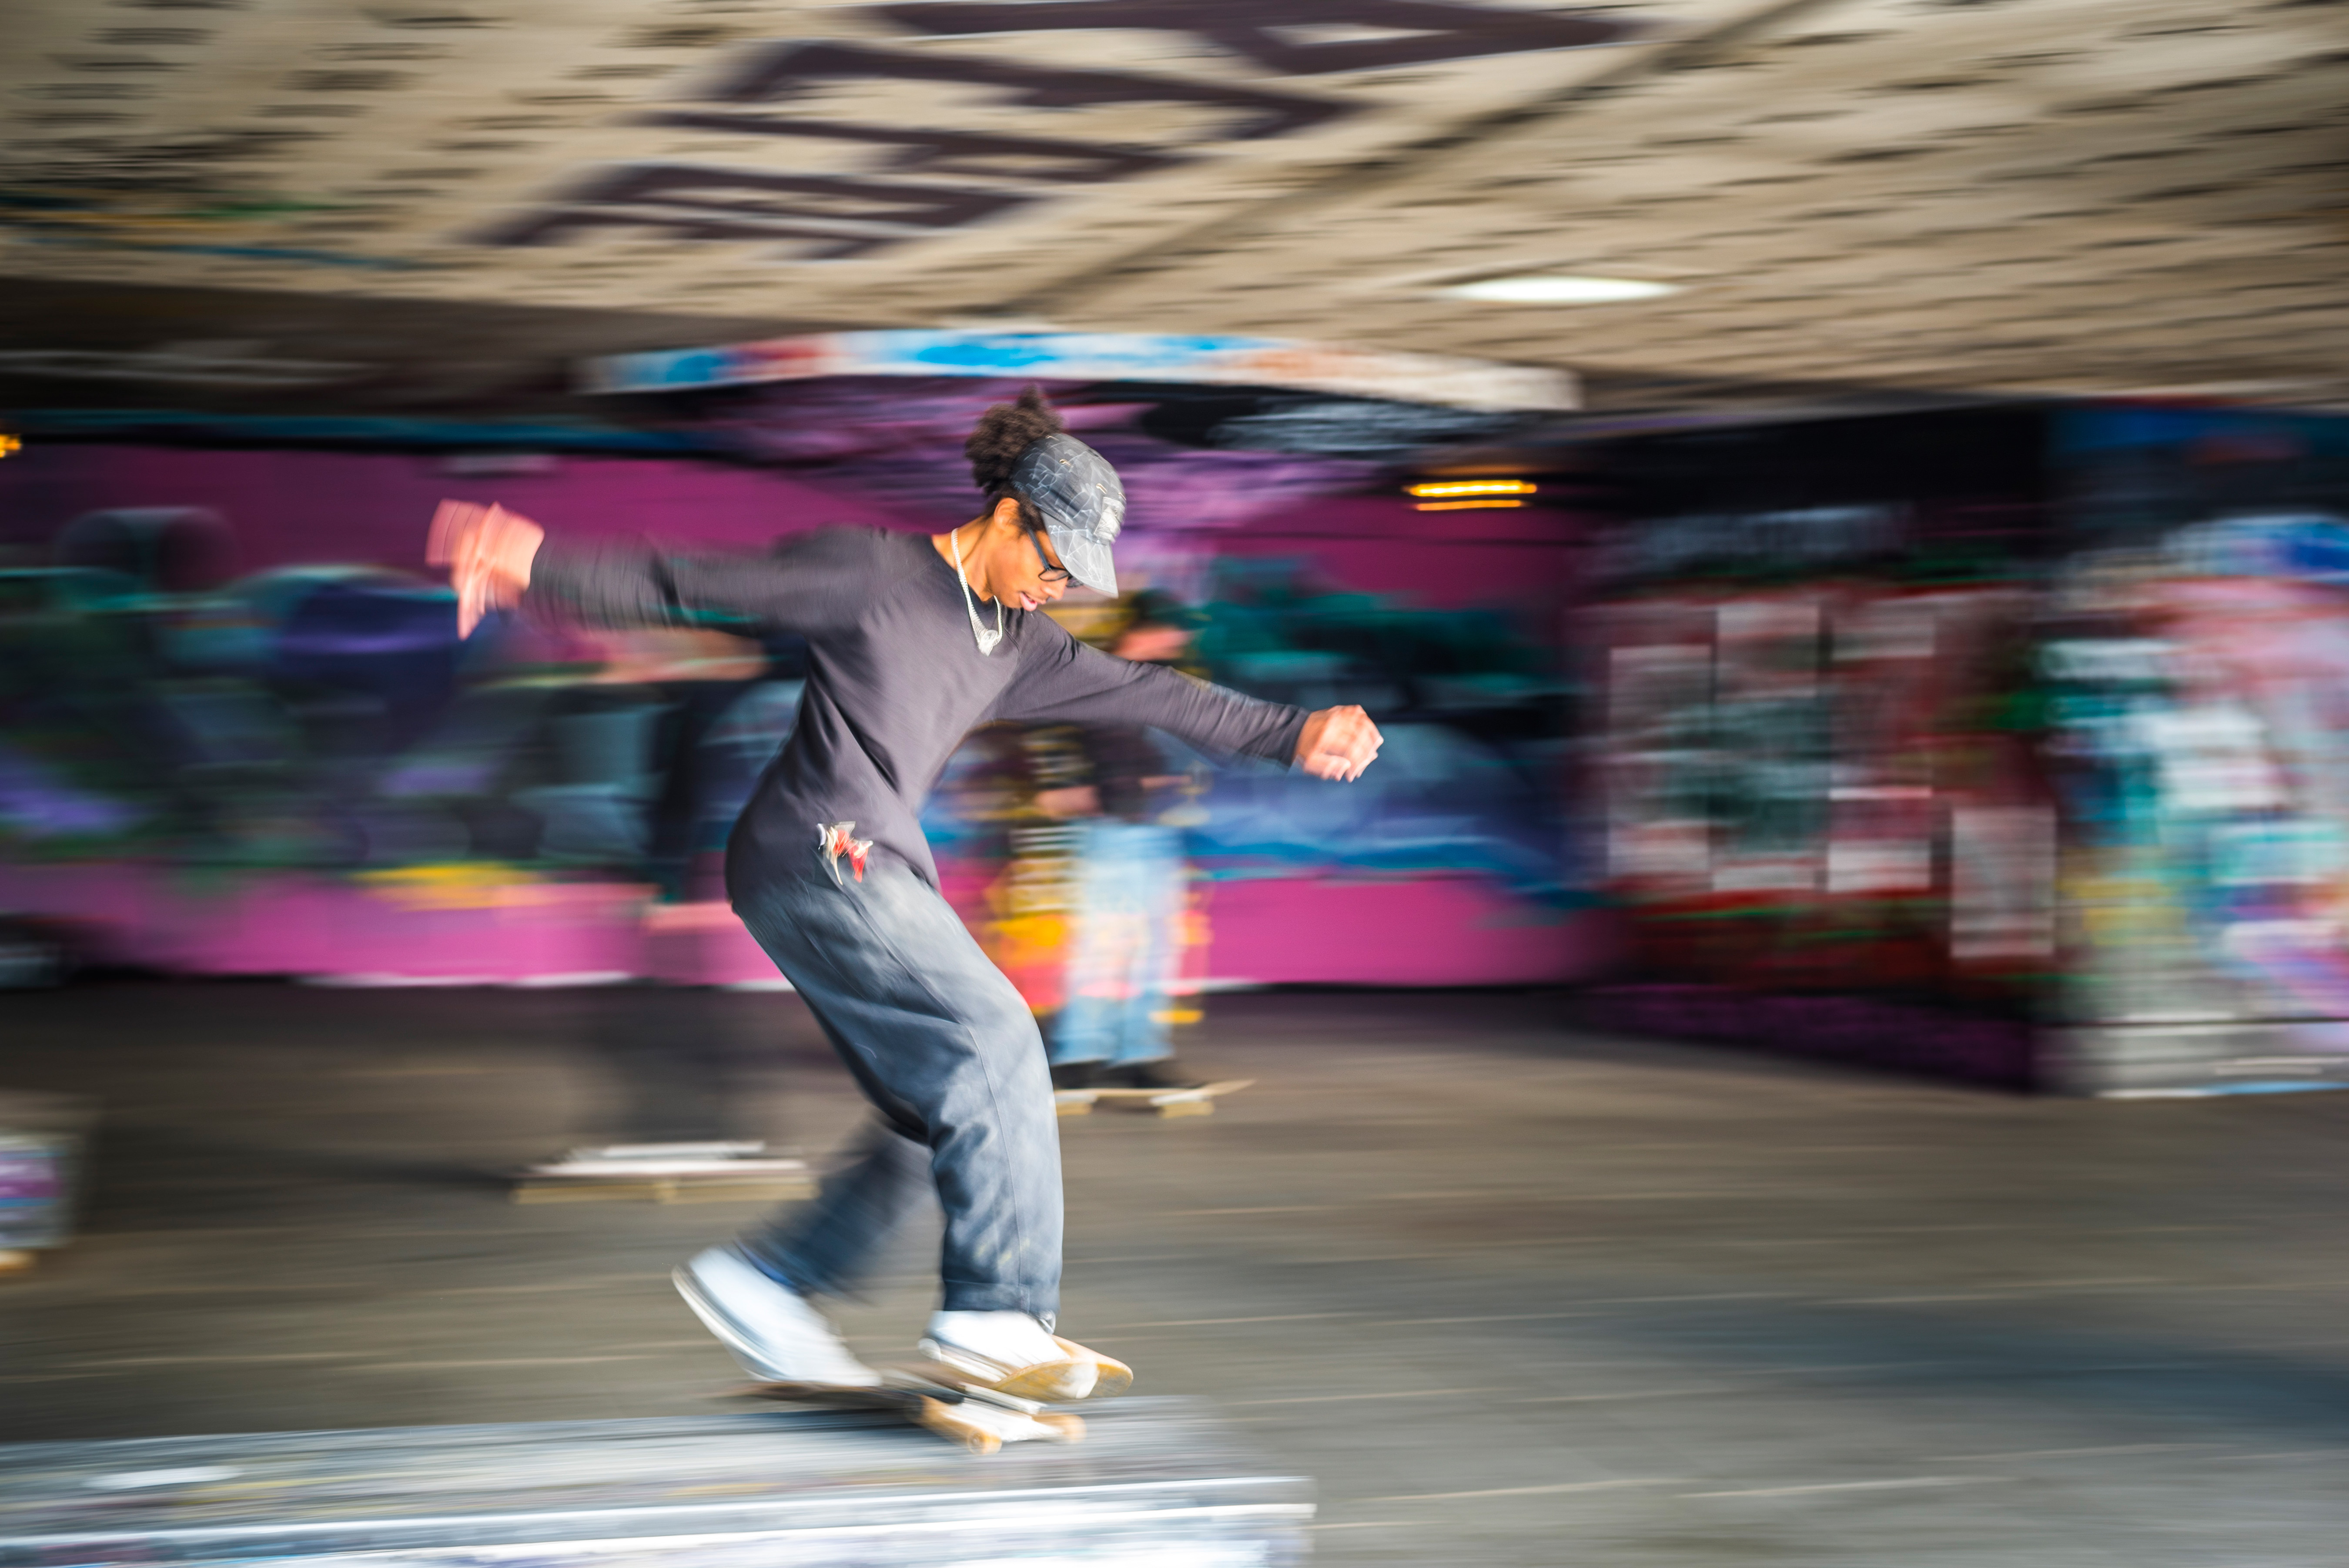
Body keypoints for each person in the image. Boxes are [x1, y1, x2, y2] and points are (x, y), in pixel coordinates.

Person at [428, 387, 1382, 1397]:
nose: (1055, 590)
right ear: (1009, 512)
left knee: (936, 1110)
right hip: (819, 851)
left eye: (1073, 579)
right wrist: (531, 560)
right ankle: (993, 1315)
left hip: (856, 867)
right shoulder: (870, 572)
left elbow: (1153, 692)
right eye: (1050, 563)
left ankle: (768, 1283)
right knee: (1000, 1035)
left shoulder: (1020, 646)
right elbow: (698, 581)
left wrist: (1291, 731)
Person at [1043, 594, 1212, 1093]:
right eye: (1175, 631)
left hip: (1154, 831)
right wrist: (1071, 787)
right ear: (1150, 628)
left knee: (1155, 948)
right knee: (1099, 944)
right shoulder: (1094, 673)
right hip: (1108, 832)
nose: (1181, 642)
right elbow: (1059, 738)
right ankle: (1078, 1054)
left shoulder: (1164, 680)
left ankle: (1139, 1054)